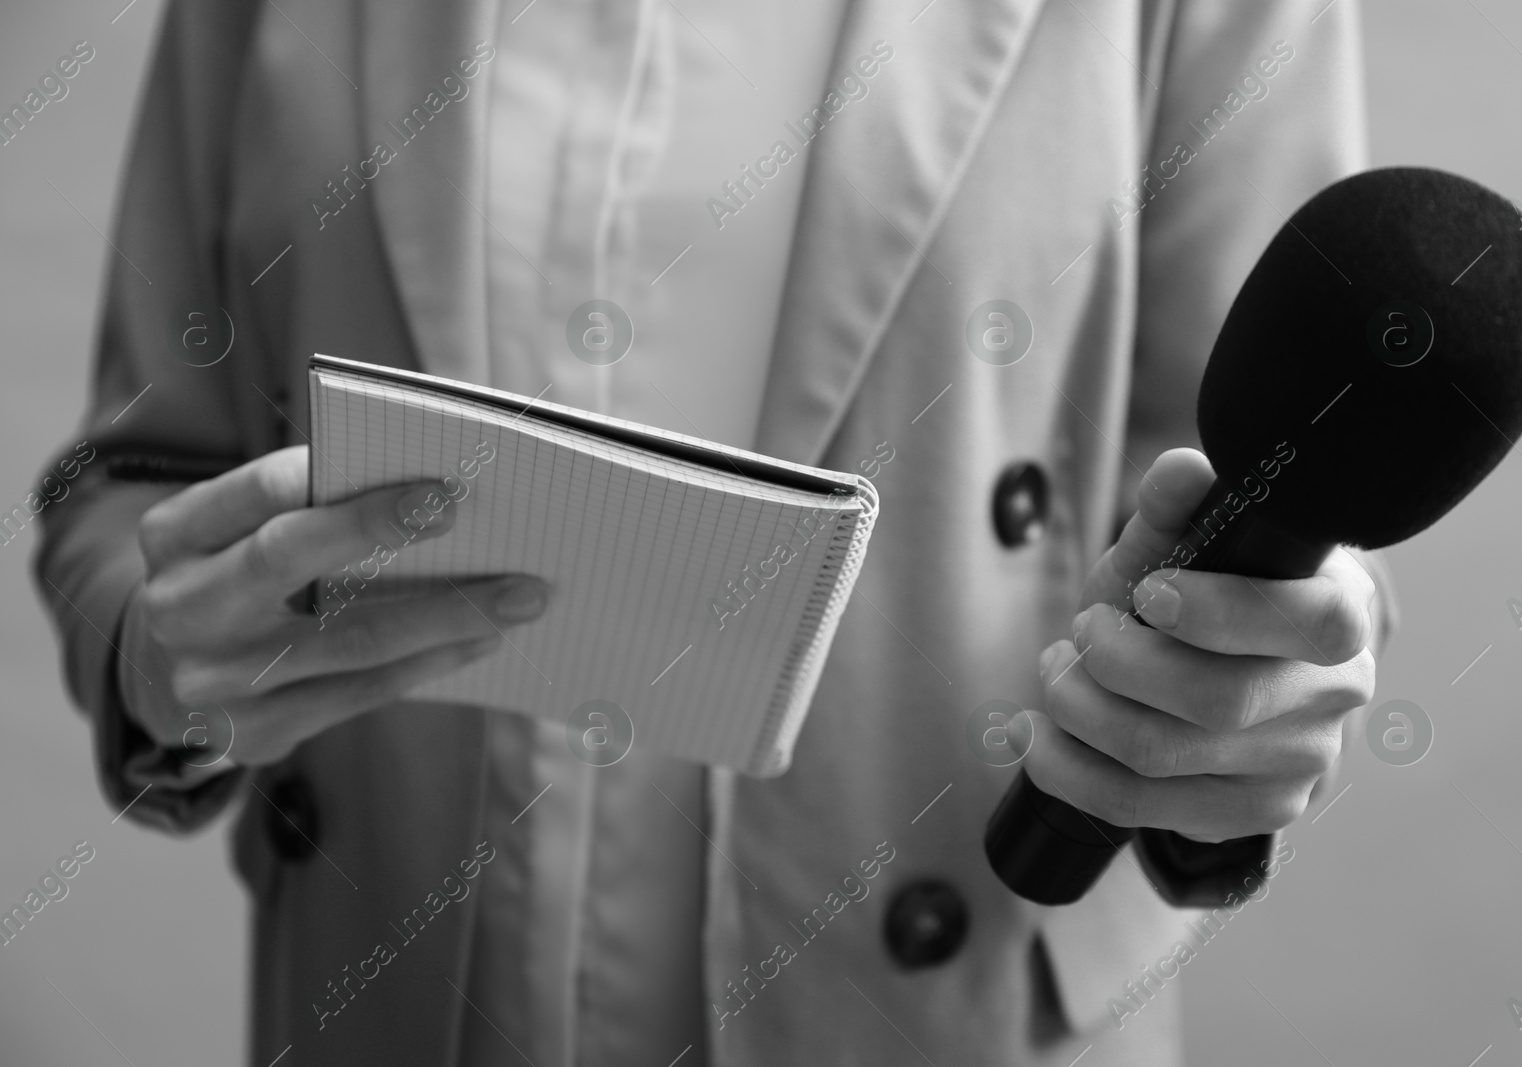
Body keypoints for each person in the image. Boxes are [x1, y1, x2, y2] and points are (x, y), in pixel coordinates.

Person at [33, 0, 1395, 1063]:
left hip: (936, 997)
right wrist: (156, 660)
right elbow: (132, 465)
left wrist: (1242, 684)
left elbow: (1265, 483)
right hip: (387, 985)